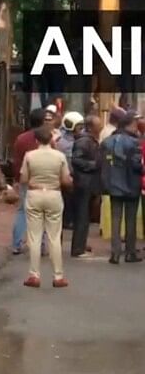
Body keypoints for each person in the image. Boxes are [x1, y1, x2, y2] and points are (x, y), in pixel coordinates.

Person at [20, 125, 72, 288]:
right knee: (54, 236)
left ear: (36, 140)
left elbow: (23, 179)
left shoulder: (30, 155)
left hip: (34, 194)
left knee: (34, 237)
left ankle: (34, 275)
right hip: (54, 194)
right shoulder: (60, 156)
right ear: (51, 139)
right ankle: (58, 276)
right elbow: (66, 180)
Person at [101, 111, 144, 264]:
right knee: (130, 220)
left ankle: (115, 252)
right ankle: (130, 252)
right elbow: (137, 164)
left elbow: (102, 164)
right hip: (131, 185)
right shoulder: (134, 143)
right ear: (129, 124)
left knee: (115, 218)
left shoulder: (107, 141)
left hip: (113, 185)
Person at [12, 108, 47, 254]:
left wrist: (17, 179)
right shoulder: (47, 138)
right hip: (44, 180)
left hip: (26, 179)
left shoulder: (21, 139)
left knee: (22, 211)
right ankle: (42, 245)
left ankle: (17, 243)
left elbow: (17, 162)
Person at [70, 114, 103, 257]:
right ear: (91, 127)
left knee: (86, 216)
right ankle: (78, 248)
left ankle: (81, 244)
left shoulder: (92, 141)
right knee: (82, 216)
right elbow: (76, 160)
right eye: (98, 125)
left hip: (89, 183)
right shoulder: (84, 142)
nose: (100, 128)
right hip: (84, 183)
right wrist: (93, 165)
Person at [56, 111, 85, 229]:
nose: (82, 129)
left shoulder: (64, 140)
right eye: (80, 126)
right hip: (66, 175)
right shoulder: (64, 142)